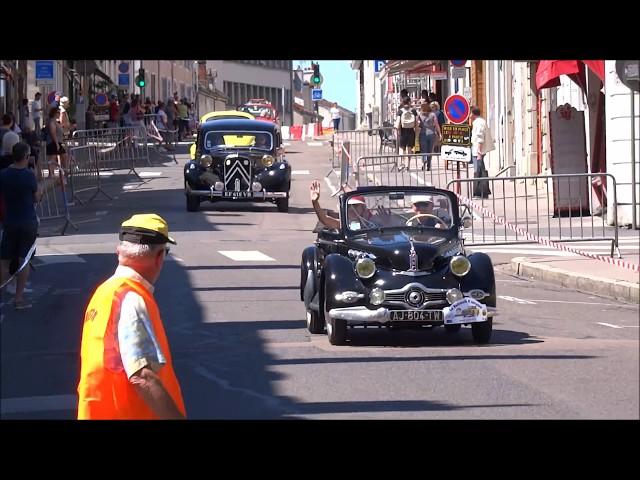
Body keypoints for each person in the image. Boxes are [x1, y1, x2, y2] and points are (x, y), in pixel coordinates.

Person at [77, 213, 186, 420]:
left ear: (119, 252)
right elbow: (142, 376)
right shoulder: (131, 299)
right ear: (159, 257)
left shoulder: (105, 291)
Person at [0, 142, 43, 309]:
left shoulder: (3, 175)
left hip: (10, 220)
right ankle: (18, 299)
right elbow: (36, 197)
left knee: (4, 261)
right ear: (25, 157)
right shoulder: (28, 176)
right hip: (27, 221)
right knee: (23, 261)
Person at [470, 106, 494, 198]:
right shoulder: (479, 122)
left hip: (478, 151)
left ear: (473, 114)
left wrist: (479, 152)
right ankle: (482, 192)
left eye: (470, 113)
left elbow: (480, 138)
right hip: (477, 150)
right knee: (480, 171)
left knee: (478, 172)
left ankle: (480, 192)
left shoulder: (479, 123)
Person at [417, 102, 442, 171]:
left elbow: (417, 125)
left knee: (423, 150)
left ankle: (424, 161)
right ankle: (429, 165)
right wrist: (440, 134)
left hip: (422, 134)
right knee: (430, 150)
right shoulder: (433, 114)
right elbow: (436, 125)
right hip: (432, 134)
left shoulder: (420, 115)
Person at [45, 107, 67, 182]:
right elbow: (53, 133)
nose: (59, 114)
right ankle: (51, 174)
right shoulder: (51, 122)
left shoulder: (55, 121)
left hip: (57, 142)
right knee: (52, 158)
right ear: (54, 113)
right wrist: (56, 143)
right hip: (53, 142)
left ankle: (64, 171)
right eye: (58, 112)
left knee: (64, 156)